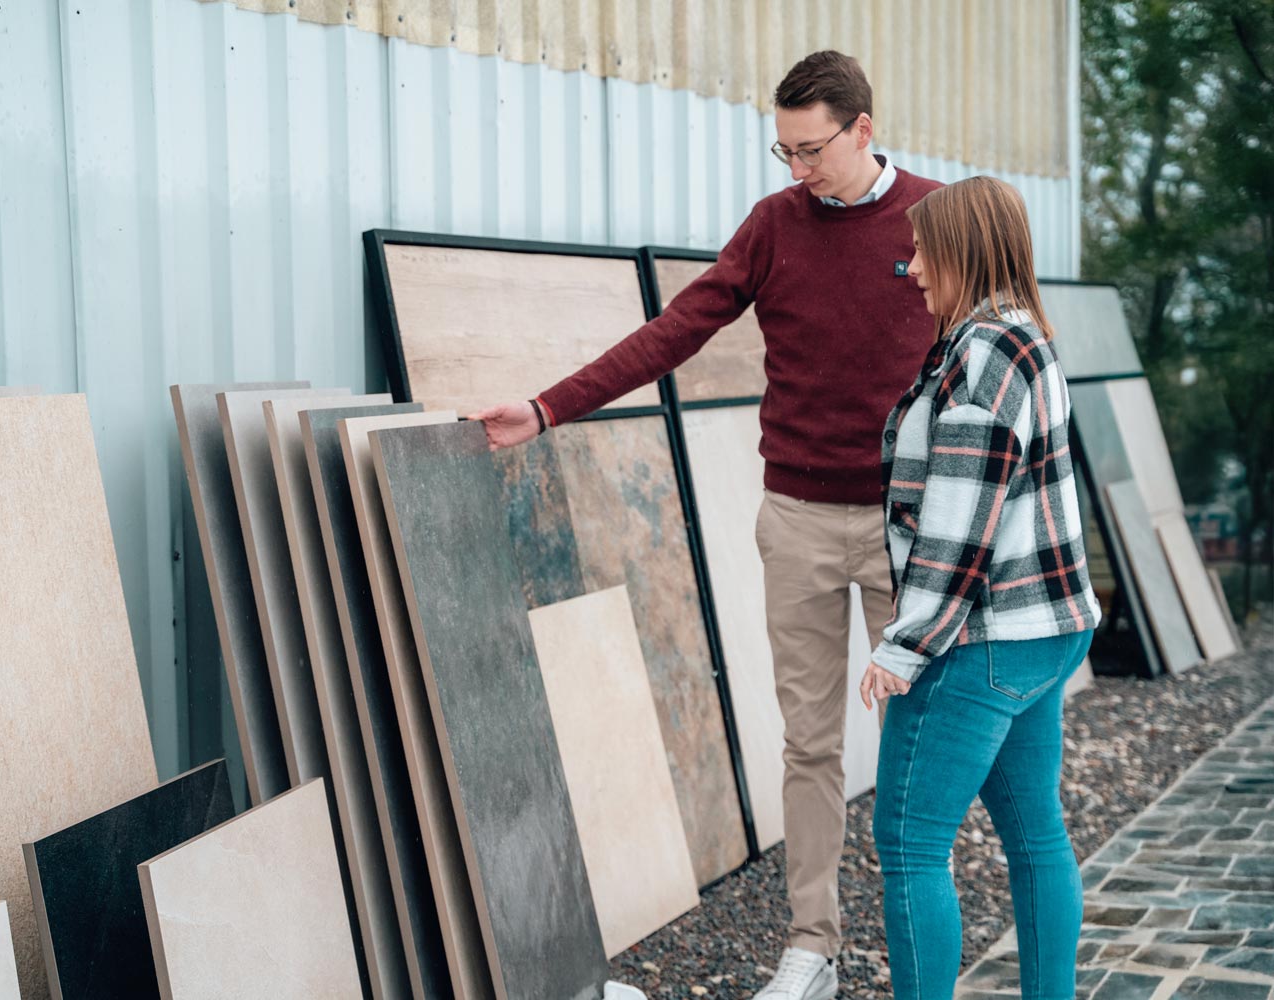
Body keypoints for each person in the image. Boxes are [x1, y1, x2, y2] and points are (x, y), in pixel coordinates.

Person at [472, 50, 942, 1000]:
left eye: (812, 150)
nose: (797, 170)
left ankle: (918, 947)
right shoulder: (775, 225)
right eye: (784, 150)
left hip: (912, 530)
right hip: (800, 519)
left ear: (863, 127)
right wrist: (550, 406)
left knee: (920, 741)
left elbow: (1006, 349)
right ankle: (813, 947)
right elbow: (675, 329)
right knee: (809, 742)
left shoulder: (939, 220)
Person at [858, 176, 1101, 999]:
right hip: (1047, 632)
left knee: (910, 844)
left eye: (923, 248)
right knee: (1036, 836)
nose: (913, 266)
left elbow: (962, 522)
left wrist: (907, 645)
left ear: (961, 247)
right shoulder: (1025, 336)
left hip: (983, 639)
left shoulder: (984, 352)